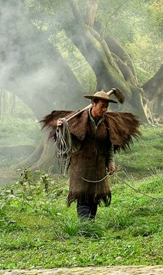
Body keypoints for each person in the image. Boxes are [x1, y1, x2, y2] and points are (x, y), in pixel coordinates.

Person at [40, 88, 140, 220]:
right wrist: (60, 127)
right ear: (93, 104)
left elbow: (109, 146)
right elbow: (64, 141)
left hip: (99, 166)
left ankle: (90, 225)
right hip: (81, 166)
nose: (104, 109)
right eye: (102, 106)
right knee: (83, 197)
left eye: (106, 107)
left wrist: (110, 163)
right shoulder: (78, 120)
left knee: (95, 197)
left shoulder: (108, 123)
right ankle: (85, 227)